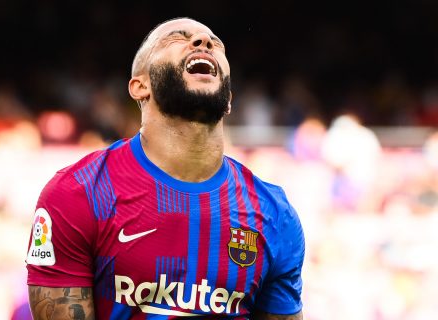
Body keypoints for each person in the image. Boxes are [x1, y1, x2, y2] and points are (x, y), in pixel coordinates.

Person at [26, 17, 305, 320]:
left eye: (215, 42)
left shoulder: (275, 214)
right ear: (139, 86)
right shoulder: (78, 193)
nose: (203, 41)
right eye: (176, 38)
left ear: (228, 101)